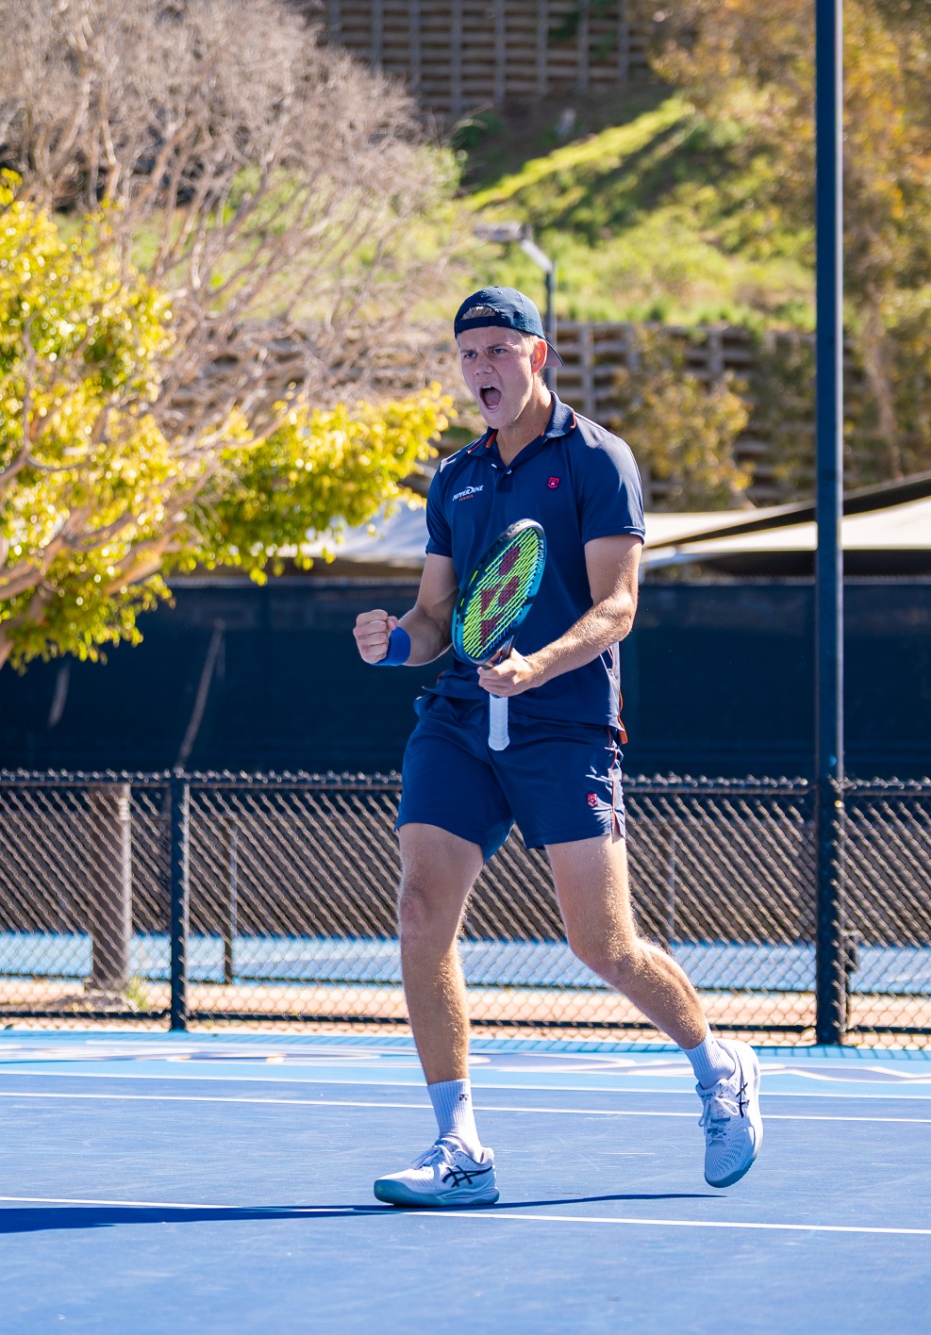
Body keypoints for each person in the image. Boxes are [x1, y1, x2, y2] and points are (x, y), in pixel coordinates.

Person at [352, 287, 761, 1208]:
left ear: (538, 357)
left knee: (602, 943)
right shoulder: (455, 477)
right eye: (469, 354)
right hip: (461, 719)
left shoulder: (597, 459)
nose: (482, 368)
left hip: (564, 723)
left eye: (498, 350)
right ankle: (460, 1148)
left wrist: (537, 666)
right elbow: (435, 620)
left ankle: (718, 1065)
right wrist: (394, 641)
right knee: (421, 911)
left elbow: (618, 605)